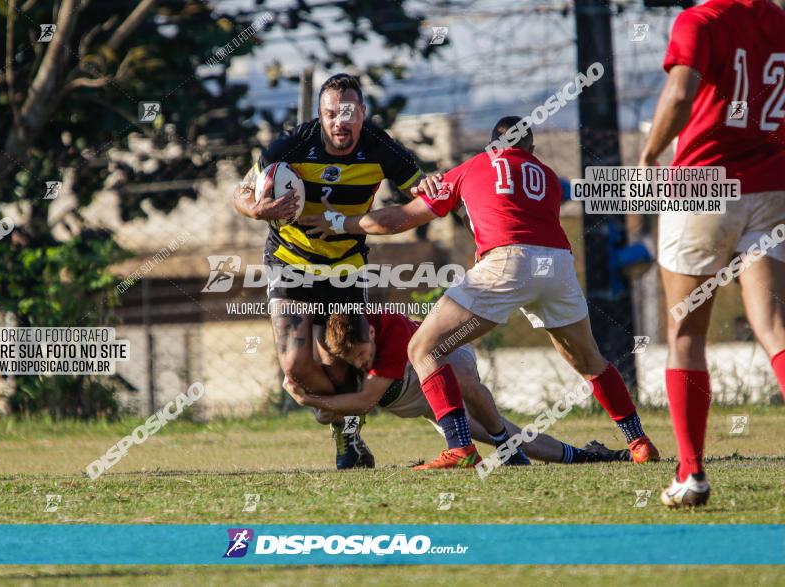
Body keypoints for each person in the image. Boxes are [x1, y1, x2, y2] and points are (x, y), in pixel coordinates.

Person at [304, 116, 660, 470]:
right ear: (531, 150)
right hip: (558, 265)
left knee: (424, 348)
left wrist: (340, 223)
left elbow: (399, 219)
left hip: (507, 263)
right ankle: (638, 441)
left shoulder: (474, 167)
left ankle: (459, 448)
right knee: (589, 360)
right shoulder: (548, 177)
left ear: (492, 146)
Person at [232, 73, 425, 469]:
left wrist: (447, 194)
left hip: (346, 269)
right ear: (321, 116)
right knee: (295, 364)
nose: (340, 121)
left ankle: (346, 434)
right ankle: (344, 425)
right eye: (331, 113)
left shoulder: (380, 147)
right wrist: (256, 209)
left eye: (348, 113)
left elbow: (423, 194)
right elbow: (242, 192)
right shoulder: (290, 145)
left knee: (339, 359)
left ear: (362, 114)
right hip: (291, 262)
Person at [639, 0, 785, 507]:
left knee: (685, 334)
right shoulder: (777, 20)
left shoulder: (700, 20)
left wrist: (648, 154)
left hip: (702, 184)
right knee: (773, 327)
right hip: (771, 189)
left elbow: (679, 94)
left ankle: (691, 472)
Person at [284, 312, 630, 467]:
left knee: (489, 414)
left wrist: (305, 398)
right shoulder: (343, 349)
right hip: (423, 401)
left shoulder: (388, 331)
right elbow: (345, 399)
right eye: (352, 359)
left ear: (371, 336)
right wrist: (312, 397)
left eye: (362, 355)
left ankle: (582, 456)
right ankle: (576, 454)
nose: (360, 363)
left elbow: (365, 400)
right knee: (507, 436)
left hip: (445, 367)